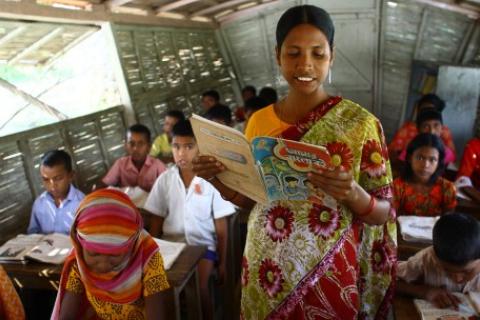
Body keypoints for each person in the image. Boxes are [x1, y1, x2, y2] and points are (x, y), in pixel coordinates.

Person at [192, 5, 396, 319]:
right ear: (278, 55)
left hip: (329, 271)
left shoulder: (360, 125)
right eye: (293, 53)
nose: (306, 65)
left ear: (332, 56)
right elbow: (255, 200)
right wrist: (219, 181)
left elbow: (382, 213)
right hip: (267, 267)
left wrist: (352, 193)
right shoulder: (258, 121)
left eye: (318, 54)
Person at [144, 120, 235, 320]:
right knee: (161, 292)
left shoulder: (212, 179)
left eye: (188, 146)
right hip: (171, 247)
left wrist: (223, 262)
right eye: (176, 146)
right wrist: (149, 255)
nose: (182, 153)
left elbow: (221, 225)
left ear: (199, 147)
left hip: (203, 247)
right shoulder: (165, 179)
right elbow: (156, 221)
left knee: (198, 289)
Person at [51, 189, 169, 320]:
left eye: (114, 255)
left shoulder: (149, 259)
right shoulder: (78, 261)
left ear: (131, 244)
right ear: (79, 243)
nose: (103, 264)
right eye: (94, 254)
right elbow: (67, 316)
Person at [397, 212, 480, 309]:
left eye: (467, 271)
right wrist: (424, 292)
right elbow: (390, 282)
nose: (458, 279)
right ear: (434, 255)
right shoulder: (425, 260)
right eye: (446, 270)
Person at [393, 133, 456, 216]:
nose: (425, 165)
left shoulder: (447, 189)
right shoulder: (398, 186)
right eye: (420, 158)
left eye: (432, 160)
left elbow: (447, 222)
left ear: (438, 162)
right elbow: (392, 219)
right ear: (409, 158)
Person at [389, 93, 456, 165]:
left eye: (436, 125)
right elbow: (393, 153)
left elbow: (450, 161)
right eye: (426, 126)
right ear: (419, 129)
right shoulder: (408, 133)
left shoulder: (446, 145)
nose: (431, 131)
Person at [28, 149, 84, 234]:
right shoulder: (39, 203)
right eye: (46, 179)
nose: (52, 185)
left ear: (71, 176)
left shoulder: (82, 203)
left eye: (58, 178)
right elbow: (32, 232)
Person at [102, 124, 166, 192]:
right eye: (131, 143)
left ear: (149, 147)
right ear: (126, 146)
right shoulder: (120, 164)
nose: (135, 148)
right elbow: (105, 184)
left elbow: (168, 186)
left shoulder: (157, 165)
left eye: (140, 144)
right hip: (127, 201)